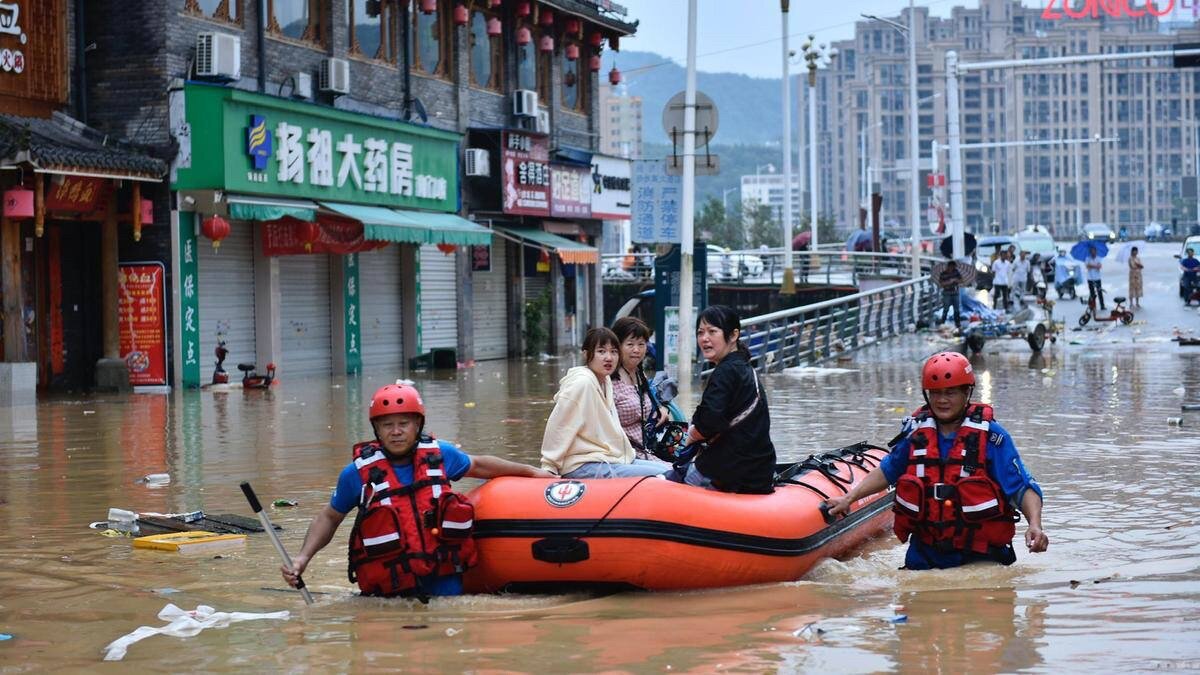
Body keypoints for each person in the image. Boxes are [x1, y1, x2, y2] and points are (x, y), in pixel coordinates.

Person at [280, 383, 552, 600]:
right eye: (387, 425)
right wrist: (302, 559)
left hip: (445, 584)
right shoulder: (356, 474)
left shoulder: (441, 455)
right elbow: (329, 518)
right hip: (388, 593)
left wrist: (533, 473)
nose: (396, 432)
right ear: (376, 429)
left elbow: (480, 465)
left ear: (417, 425)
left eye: (404, 423)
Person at [826, 352, 1048, 569]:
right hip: (925, 555)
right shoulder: (915, 434)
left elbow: (1022, 488)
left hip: (981, 557)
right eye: (935, 393)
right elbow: (887, 471)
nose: (942, 400)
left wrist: (1035, 526)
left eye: (950, 393)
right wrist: (848, 498)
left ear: (966, 393)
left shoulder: (992, 437)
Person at [665, 305, 776, 494]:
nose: (704, 338)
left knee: (668, 487)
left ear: (733, 335)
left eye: (712, 331)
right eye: (700, 332)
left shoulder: (726, 371)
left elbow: (708, 422)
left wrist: (690, 437)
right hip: (759, 470)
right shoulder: (745, 367)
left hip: (729, 471)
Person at [540, 327, 667, 478]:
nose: (609, 358)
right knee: (663, 476)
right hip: (583, 464)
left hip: (610, 458)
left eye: (613, 352)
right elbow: (559, 426)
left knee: (670, 471)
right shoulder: (582, 383)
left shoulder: (605, 380)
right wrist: (549, 467)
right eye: (601, 351)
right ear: (586, 354)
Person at [610, 316, 671, 461]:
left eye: (641, 344)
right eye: (630, 344)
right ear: (617, 346)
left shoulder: (639, 373)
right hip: (626, 455)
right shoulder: (608, 380)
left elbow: (645, 401)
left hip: (648, 449)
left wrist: (659, 408)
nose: (636, 350)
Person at [936, 258, 963, 328]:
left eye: (954, 267)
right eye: (951, 267)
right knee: (946, 308)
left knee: (956, 309)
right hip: (947, 293)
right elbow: (941, 284)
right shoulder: (943, 274)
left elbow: (961, 280)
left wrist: (956, 280)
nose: (952, 268)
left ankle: (957, 323)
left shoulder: (956, 272)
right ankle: (943, 321)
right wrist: (949, 282)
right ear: (948, 266)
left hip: (955, 292)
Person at [1085, 245, 1105, 310]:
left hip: (1097, 278)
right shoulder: (1087, 258)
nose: (1093, 252)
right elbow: (1087, 267)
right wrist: (1095, 266)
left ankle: (1102, 305)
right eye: (1092, 251)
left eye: (1094, 251)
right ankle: (1093, 306)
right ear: (1090, 252)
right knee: (1092, 293)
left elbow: (1099, 267)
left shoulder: (1099, 258)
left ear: (1096, 251)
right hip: (1090, 278)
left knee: (1099, 292)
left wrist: (1092, 266)